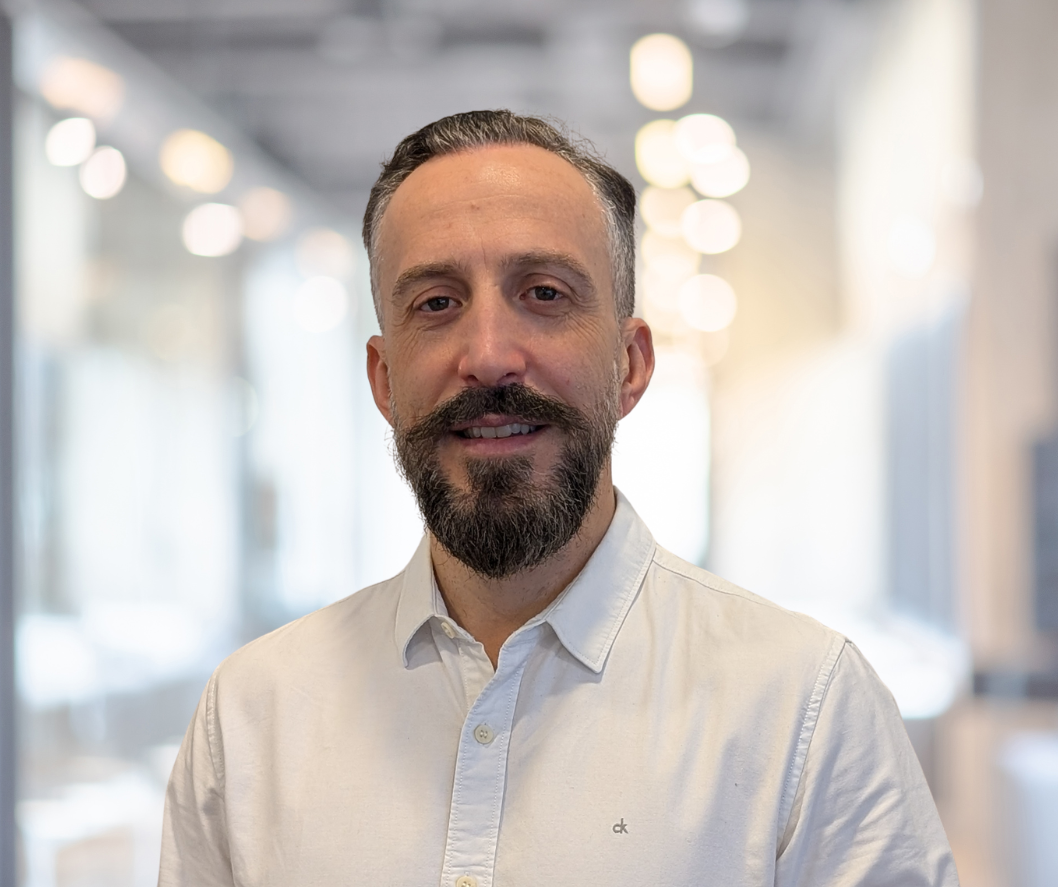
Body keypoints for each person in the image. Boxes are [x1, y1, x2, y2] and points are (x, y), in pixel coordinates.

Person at [160, 110, 960, 887]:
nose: (488, 356)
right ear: (383, 380)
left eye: (543, 293)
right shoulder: (250, 719)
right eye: (436, 303)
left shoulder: (803, 713)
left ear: (631, 362)